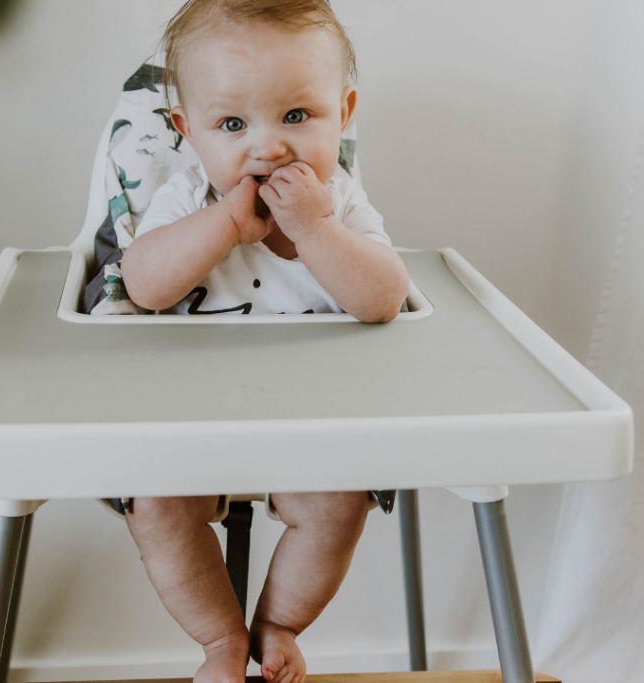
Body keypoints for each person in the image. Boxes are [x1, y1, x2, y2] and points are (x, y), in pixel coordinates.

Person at [121, 2, 409, 681]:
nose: (269, 146)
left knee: (340, 501)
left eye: (297, 115)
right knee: (155, 506)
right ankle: (220, 639)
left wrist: (314, 231)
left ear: (343, 113)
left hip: (314, 414)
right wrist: (223, 226)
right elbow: (143, 284)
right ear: (189, 132)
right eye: (232, 125)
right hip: (189, 412)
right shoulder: (188, 199)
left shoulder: (338, 203)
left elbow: (383, 297)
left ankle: (278, 624)